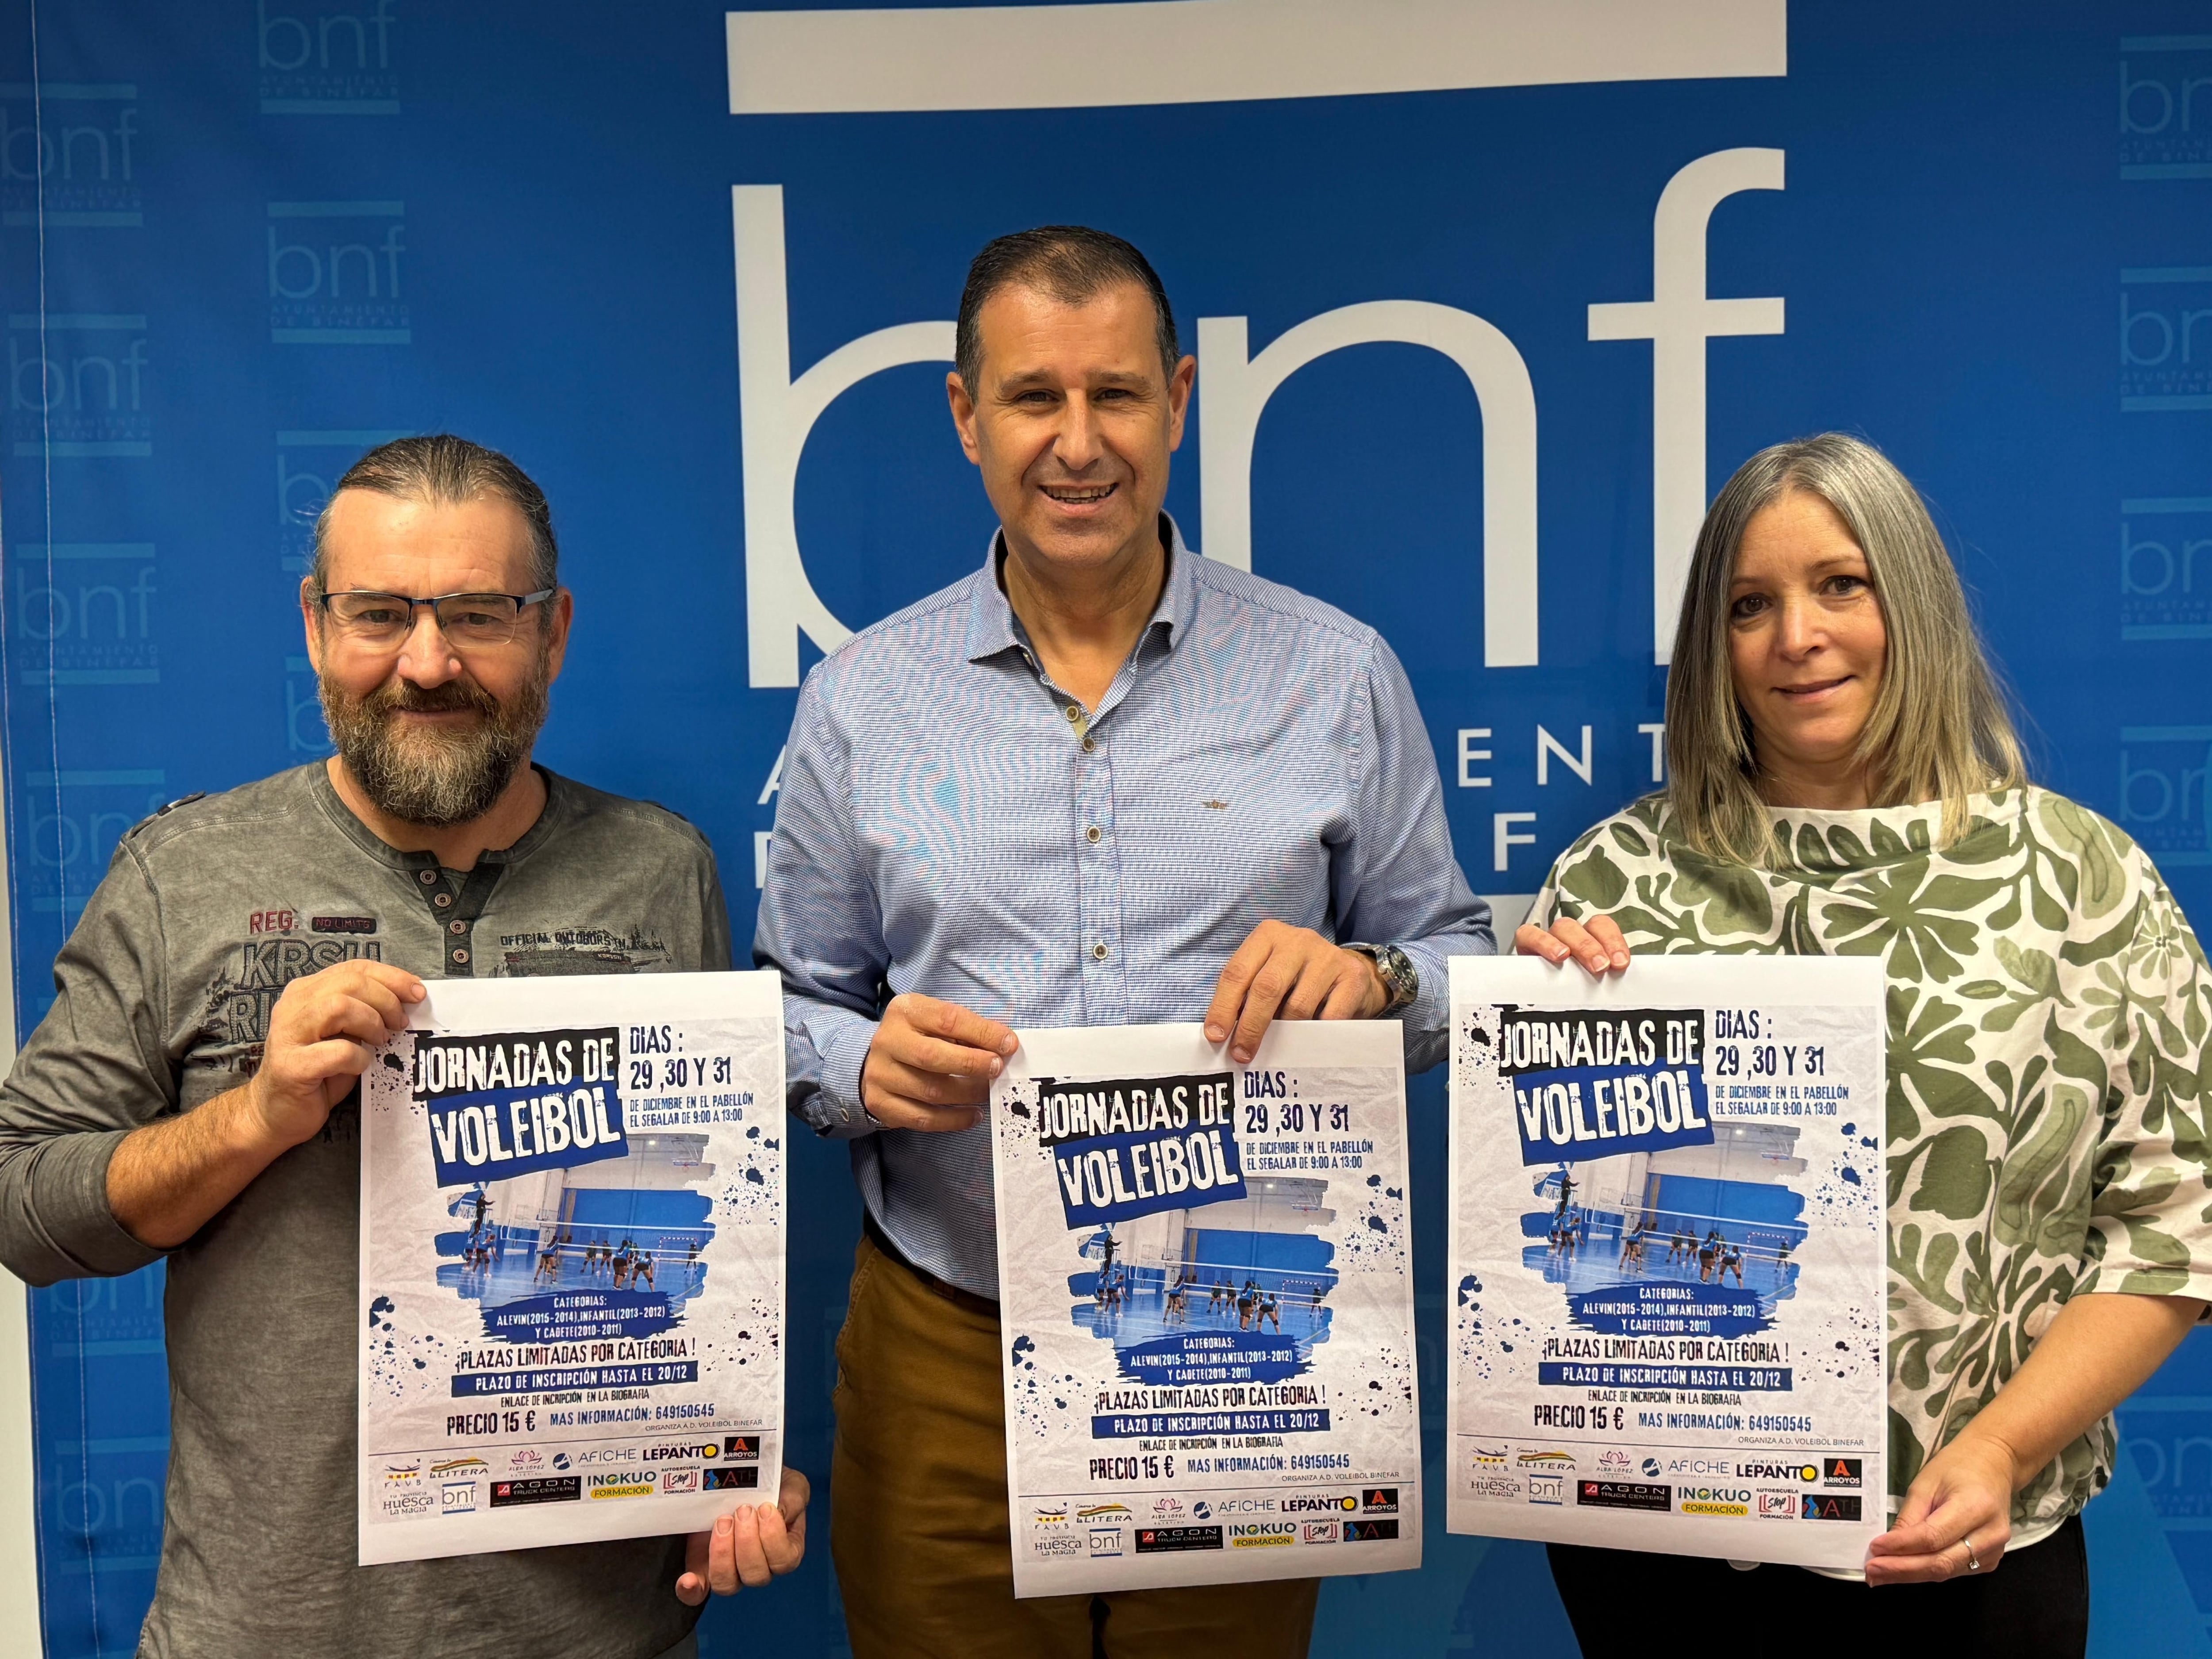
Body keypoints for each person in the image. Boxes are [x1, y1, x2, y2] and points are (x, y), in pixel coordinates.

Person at [757, 224, 1491, 1658]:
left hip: (1240, 1339)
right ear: (968, 417)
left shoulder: (1334, 674)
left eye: (1117, 397)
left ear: (1181, 401)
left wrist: (1377, 981)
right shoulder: (859, 702)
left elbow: (1459, 959)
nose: (1078, 444)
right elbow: (789, 1011)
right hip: (946, 1342)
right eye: (1035, 398)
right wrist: (860, 1063)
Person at [0, 435, 807, 1659]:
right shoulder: (183, 875)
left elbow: (709, 1238)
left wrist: (723, 1470)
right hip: (268, 1631)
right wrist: (256, 1116)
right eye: (381, 614)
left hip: (594, 1636)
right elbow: (22, 1209)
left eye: (479, 614)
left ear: (554, 631)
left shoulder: (662, 871)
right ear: (318, 625)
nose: (427, 665)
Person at [1517, 433, 2210, 1653]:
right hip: (1666, 1550)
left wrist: (1999, 1445)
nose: (1797, 637)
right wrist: (1526, 1061)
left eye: (1842, 585)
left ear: (1915, 601)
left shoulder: (2080, 877)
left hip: (1964, 1553)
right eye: (1750, 605)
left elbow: (2176, 1221)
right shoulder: (1614, 875)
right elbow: (1547, 1220)